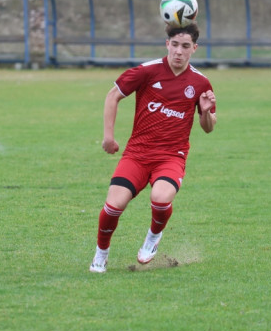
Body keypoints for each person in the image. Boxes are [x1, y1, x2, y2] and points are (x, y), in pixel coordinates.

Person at [89, 23, 217, 273]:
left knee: (160, 198)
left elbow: (208, 127)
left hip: (171, 156)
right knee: (113, 206)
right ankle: (100, 254)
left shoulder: (201, 83)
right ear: (167, 44)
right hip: (137, 154)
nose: (179, 51)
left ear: (194, 49)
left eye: (186, 46)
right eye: (175, 45)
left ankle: (152, 238)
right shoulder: (147, 71)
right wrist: (108, 137)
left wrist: (205, 111)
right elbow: (112, 96)